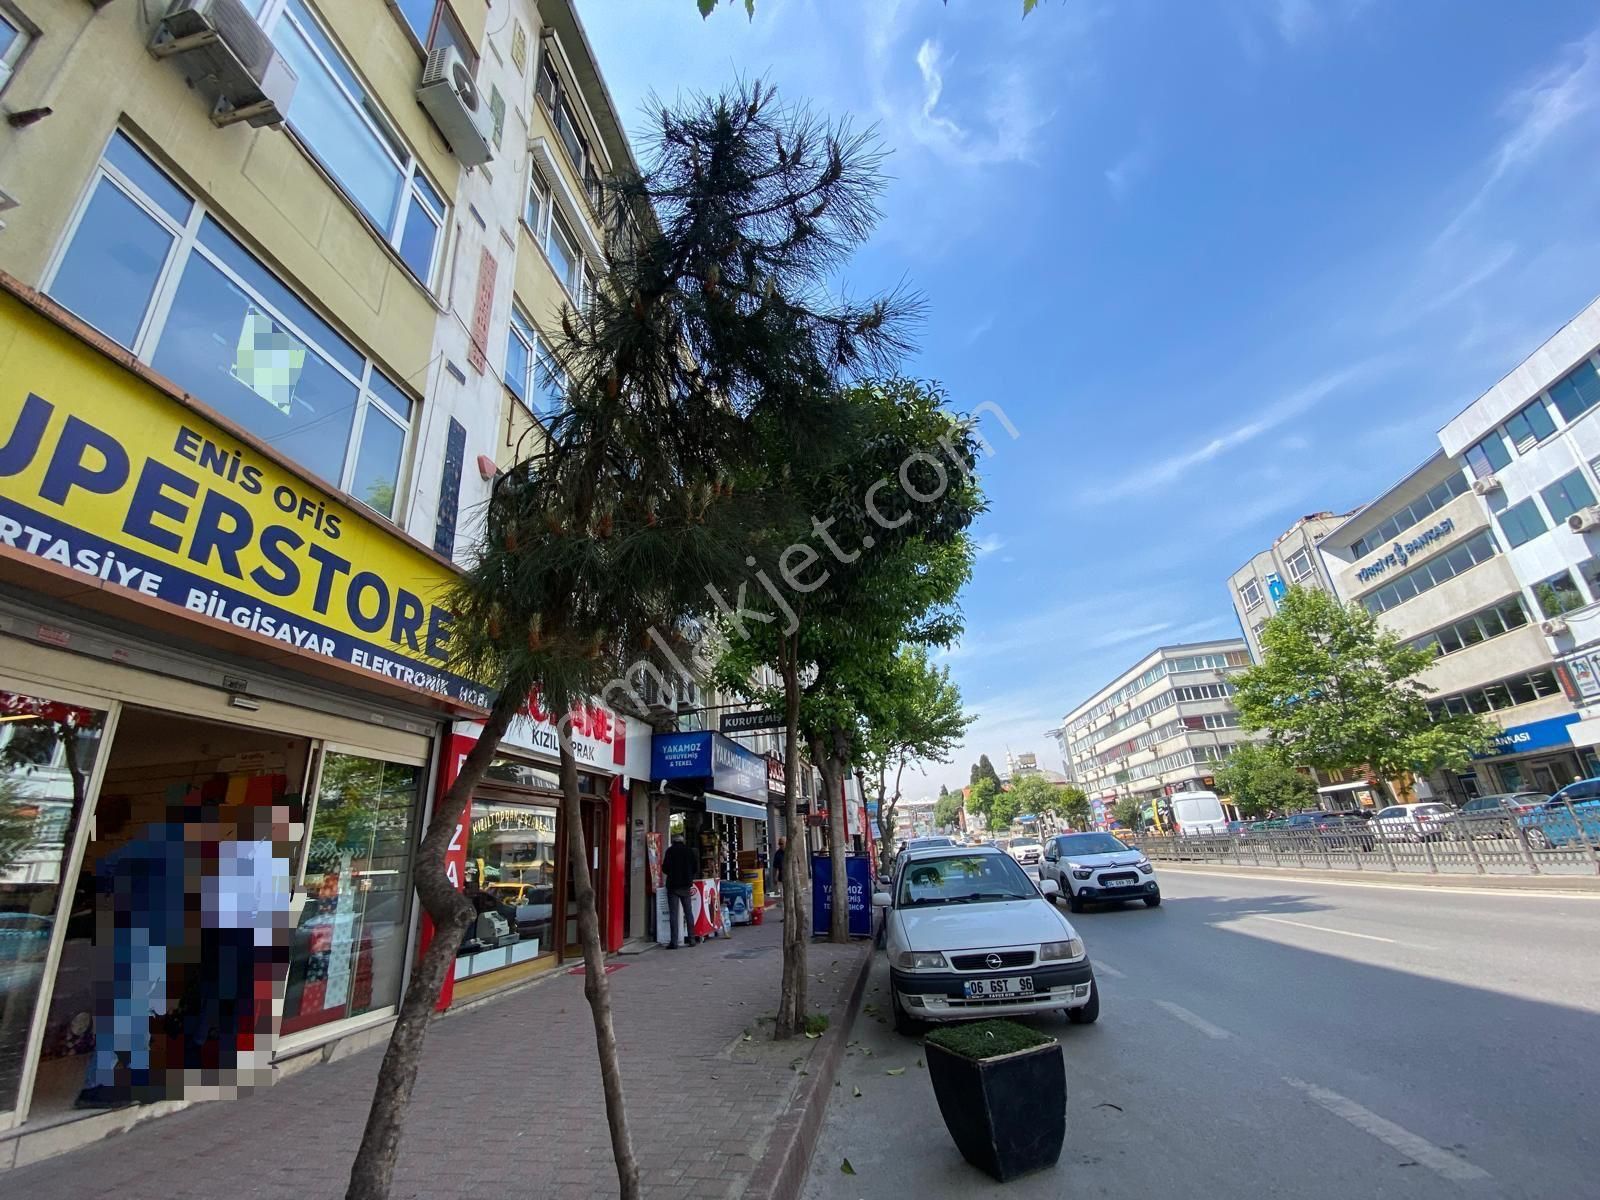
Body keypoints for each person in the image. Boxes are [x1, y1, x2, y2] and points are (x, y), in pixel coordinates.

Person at [662, 832, 699, 948]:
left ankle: (674, 942)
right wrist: (688, 876)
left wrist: (672, 873)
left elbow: (665, 868)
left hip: (673, 886)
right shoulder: (689, 851)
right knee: (688, 912)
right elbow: (695, 867)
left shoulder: (670, 851)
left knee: (673, 914)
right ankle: (692, 939)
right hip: (686, 886)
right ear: (682, 841)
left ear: (673, 841)